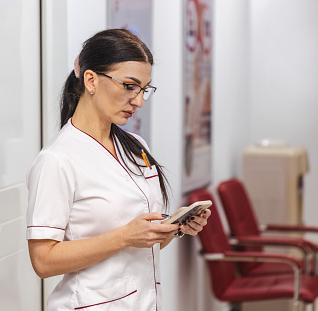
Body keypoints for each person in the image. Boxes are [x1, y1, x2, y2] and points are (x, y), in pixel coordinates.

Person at [26, 29, 210, 311]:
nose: (138, 101)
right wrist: (124, 236)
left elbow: (142, 243)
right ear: (91, 80)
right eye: (129, 86)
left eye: (144, 89)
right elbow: (43, 261)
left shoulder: (135, 146)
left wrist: (174, 229)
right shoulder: (57, 160)